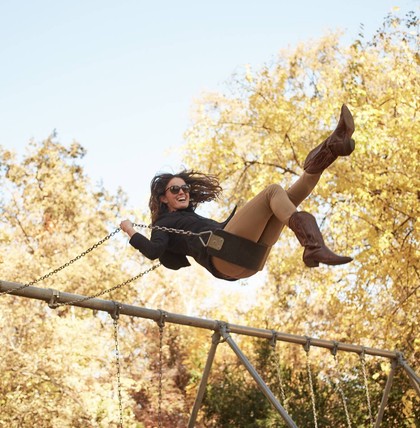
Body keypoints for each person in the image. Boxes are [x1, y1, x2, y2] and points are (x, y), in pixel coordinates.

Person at [121, 104, 355, 281]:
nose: (182, 192)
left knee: (286, 199)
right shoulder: (164, 222)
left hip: (250, 260)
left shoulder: (191, 218)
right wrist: (130, 230)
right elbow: (153, 251)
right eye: (175, 189)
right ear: (163, 197)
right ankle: (313, 247)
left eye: (185, 188)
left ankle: (331, 149)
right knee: (273, 192)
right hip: (223, 255)